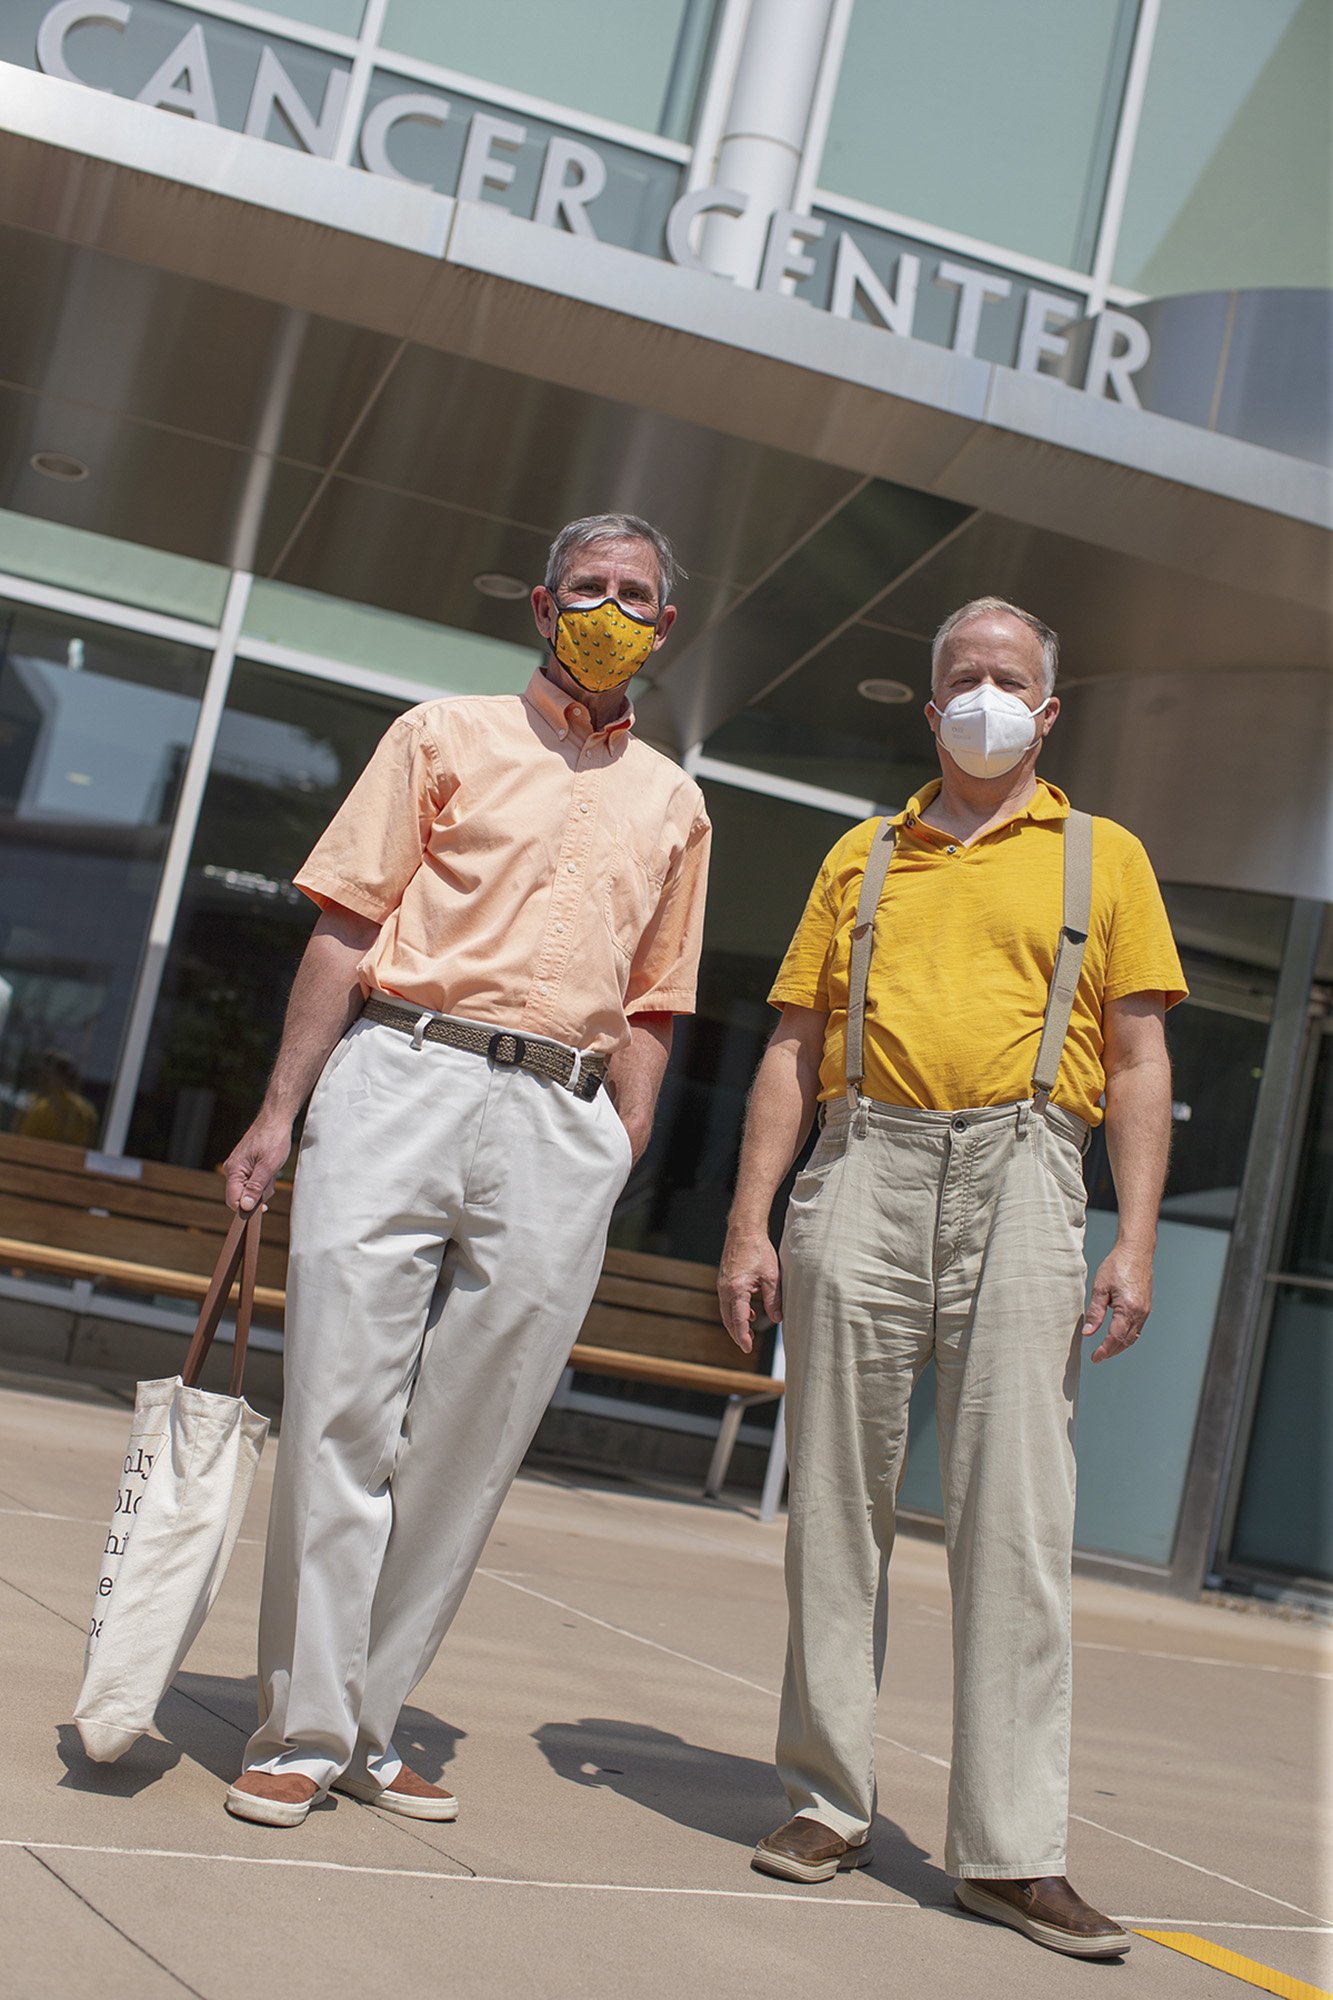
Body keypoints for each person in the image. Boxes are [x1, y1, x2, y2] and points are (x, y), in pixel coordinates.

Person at [221, 513, 710, 1829]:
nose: (611, 606)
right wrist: (282, 1109)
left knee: (471, 1441)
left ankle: (375, 1722)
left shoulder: (675, 800)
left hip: (562, 1114)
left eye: (637, 594)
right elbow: (342, 929)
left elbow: (659, 1001)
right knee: (338, 1410)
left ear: (665, 629)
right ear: (544, 607)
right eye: (590, 586)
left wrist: (623, 1140)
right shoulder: (438, 737)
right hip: (402, 1073)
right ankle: (302, 1727)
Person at [718, 597, 1185, 1959]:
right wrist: (751, 1225)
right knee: (836, 1509)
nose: (985, 694)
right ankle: (823, 1801)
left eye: (1010, 678)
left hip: (1030, 1168)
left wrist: (1136, 1238)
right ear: (930, 712)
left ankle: (1009, 1849)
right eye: (962, 678)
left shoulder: (1106, 860)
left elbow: (1145, 1063)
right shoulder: (860, 857)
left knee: (1019, 1521)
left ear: (1048, 711)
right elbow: (789, 1057)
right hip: (863, 1166)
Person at [19, 1049, 98, 1146]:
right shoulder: (86, 1108)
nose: (40, 1077)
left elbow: (21, 1143)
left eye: (45, 1073)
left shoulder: (41, 1108)